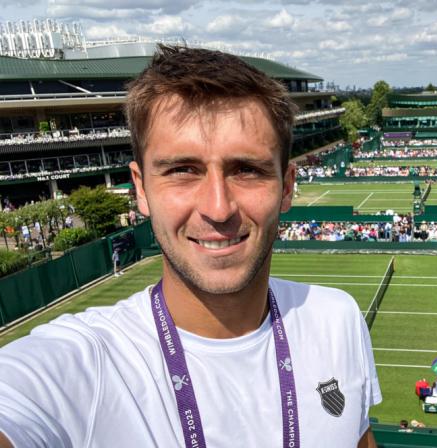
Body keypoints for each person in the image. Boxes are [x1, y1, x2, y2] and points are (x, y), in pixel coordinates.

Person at [0, 46, 381, 448]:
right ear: (141, 189)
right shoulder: (77, 367)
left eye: (246, 170)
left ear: (287, 187)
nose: (218, 208)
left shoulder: (338, 319)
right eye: (183, 170)